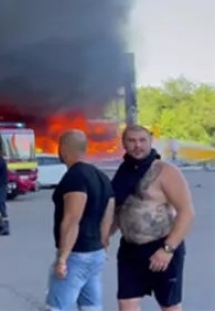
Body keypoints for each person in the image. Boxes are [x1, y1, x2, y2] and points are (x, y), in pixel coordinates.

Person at [110, 125, 194, 311]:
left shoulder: (166, 171)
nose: (137, 145)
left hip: (162, 247)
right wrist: (101, 239)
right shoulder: (123, 173)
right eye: (131, 141)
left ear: (150, 141)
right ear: (124, 143)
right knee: (126, 304)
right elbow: (118, 211)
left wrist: (167, 249)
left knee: (169, 306)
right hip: (130, 251)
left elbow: (186, 212)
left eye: (142, 140)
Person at [46, 130, 114, 311]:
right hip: (95, 252)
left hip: (76, 254)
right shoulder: (102, 177)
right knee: (91, 306)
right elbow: (109, 213)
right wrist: (103, 243)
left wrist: (62, 259)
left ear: (64, 150)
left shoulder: (75, 177)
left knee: (57, 307)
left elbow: (72, 219)